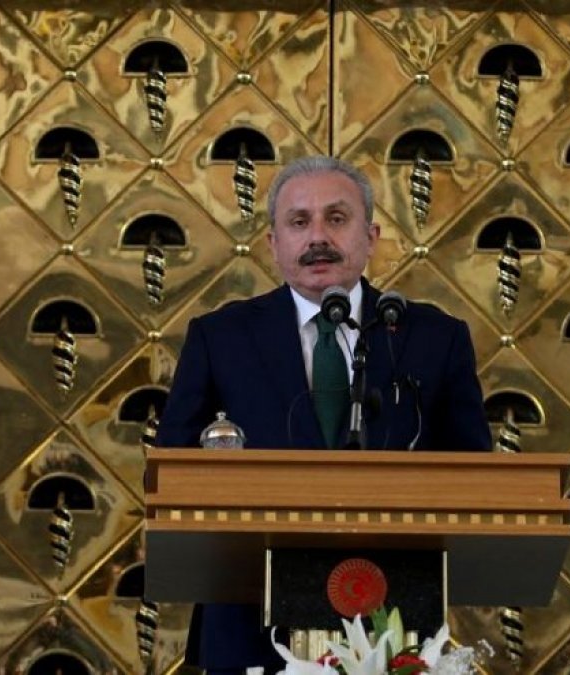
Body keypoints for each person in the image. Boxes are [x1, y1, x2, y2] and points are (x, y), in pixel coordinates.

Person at [156, 155, 491, 673]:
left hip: (395, 623)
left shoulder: (434, 338)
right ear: (273, 243)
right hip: (249, 627)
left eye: (336, 218)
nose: (318, 237)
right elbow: (172, 475)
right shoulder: (220, 338)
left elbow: (476, 477)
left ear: (371, 236)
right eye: (299, 221)